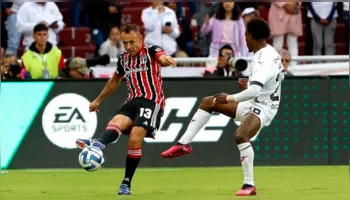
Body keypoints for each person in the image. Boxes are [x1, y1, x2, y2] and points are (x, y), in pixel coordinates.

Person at [161, 18, 284, 196]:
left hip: (264, 107)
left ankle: (249, 185)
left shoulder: (262, 59)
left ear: (250, 35)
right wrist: (250, 83)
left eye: (245, 35)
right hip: (256, 101)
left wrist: (230, 97)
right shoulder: (270, 52)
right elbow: (276, 79)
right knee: (208, 102)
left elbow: (255, 91)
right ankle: (184, 144)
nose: (244, 39)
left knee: (241, 136)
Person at [75, 24, 176, 195]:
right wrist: (98, 100)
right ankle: (99, 144)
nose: (128, 47)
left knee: (135, 139)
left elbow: (161, 56)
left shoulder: (151, 50)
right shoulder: (124, 59)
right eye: (125, 43)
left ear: (140, 39)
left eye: (132, 42)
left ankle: (126, 182)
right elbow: (114, 80)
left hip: (152, 102)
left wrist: (165, 59)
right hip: (132, 100)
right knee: (116, 122)